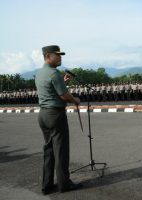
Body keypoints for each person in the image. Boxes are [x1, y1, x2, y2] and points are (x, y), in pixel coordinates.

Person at [35, 45, 82, 194]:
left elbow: (51, 91)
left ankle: (46, 186)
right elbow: (63, 96)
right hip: (55, 115)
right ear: (48, 56)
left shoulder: (40, 73)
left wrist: (64, 82)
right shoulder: (54, 73)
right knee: (61, 151)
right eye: (58, 55)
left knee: (49, 151)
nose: (60, 57)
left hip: (43, 115)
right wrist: (75, 99)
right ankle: (64, 184)